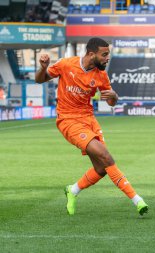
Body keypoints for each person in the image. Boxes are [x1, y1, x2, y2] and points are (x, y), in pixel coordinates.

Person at [35, 38, 148, 216]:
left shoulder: (101, 75)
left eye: (108, 55)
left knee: (101, 169)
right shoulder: (66, 64)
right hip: (68, 120)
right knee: (105, 156)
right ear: (91, 54)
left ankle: (72, 191)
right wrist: (43, 67)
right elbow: (39, 80)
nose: (107, 58)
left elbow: (110, 102)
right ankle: (137, 200)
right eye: (104, 55)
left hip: (89, 120)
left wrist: (114, 96)